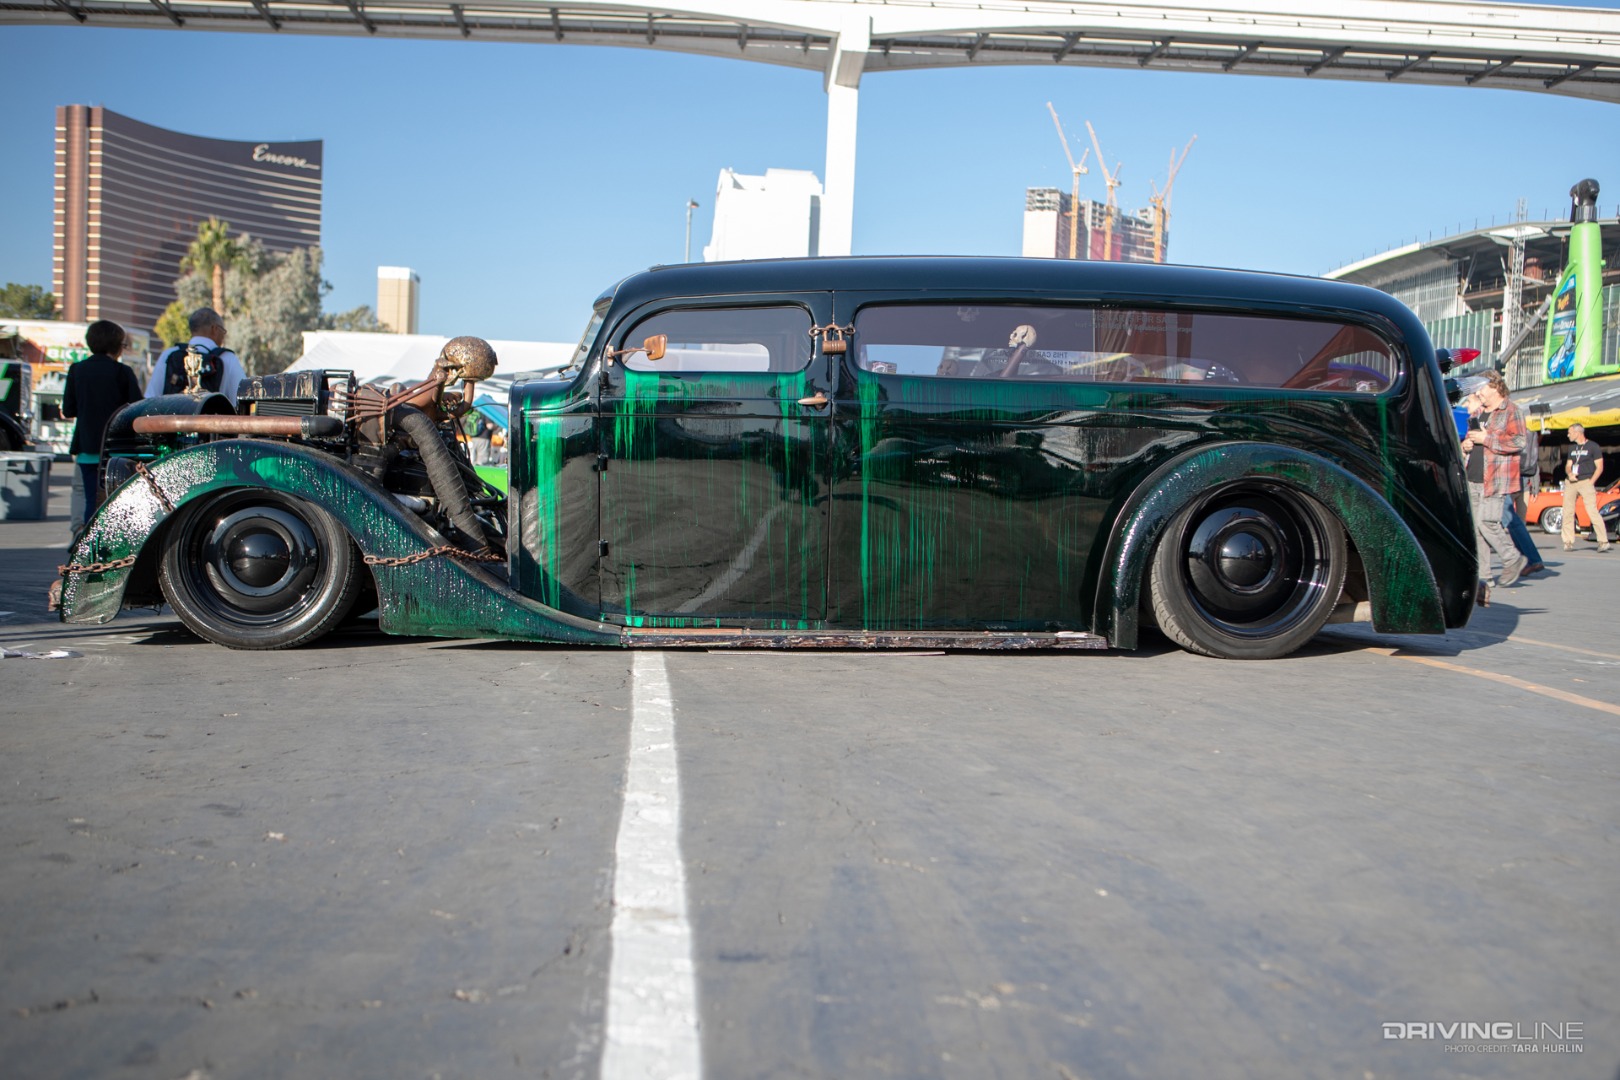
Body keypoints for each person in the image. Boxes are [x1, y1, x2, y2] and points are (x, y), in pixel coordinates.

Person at [60, 319, 143, 516]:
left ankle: (91, 543)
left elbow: (69, 409)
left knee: (92, 500)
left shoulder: (76, 370)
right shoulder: (122, 372)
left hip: (87, 448)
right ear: (116, 346)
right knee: (117, 501)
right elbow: (138, 409)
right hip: (117, 450)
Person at [1460, 372, 1529, 596]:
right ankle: (1484, 577)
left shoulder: (1511, 411)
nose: (1478, 392)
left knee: (1486, 522)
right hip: (1473, 476)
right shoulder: (1480, 413)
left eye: (1481, 388)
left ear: (1495, 386)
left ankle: (1513, 558)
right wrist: (1467, 445)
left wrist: (1486, 439)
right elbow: (1470, 440)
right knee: (1476, 530)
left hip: (1496, 478)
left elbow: (1519, 441)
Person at [145, 307, 247, 407]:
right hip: (209, 421)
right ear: (214, 329)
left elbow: (150, 398)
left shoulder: (168, 354)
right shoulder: (227, 358)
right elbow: (242, 400)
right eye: (223, 331)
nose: (223, 336)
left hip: (173, 421)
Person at [1560, 422, 1610, 552]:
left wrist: (1591, 481)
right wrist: (1569, 473)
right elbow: (1568, 465)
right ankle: (1568, 541)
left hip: (1586, 481)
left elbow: (1599, 467)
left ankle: (1603, 541)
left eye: (1570, 432)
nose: (1568, 435)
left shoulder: (1593, 446)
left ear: (1578, 433)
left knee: (1592, 511)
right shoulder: (1572, 448)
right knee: (1568, 512)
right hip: (1571, 482)